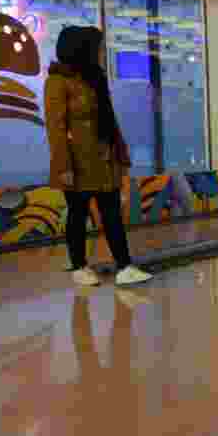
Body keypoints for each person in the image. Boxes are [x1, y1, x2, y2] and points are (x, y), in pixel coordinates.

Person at [44, 26, 153, 287]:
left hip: (105, 160)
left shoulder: (94, 77)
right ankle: (79, 266)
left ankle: (124, 266)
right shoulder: (58, 81)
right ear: (82, 48)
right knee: (77, 213)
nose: (102, 53)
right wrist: (63, 166)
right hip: (77, 162)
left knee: (112, 213)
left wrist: (121, 152)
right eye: (98, 48)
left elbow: (109, 118)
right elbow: (55, 128)